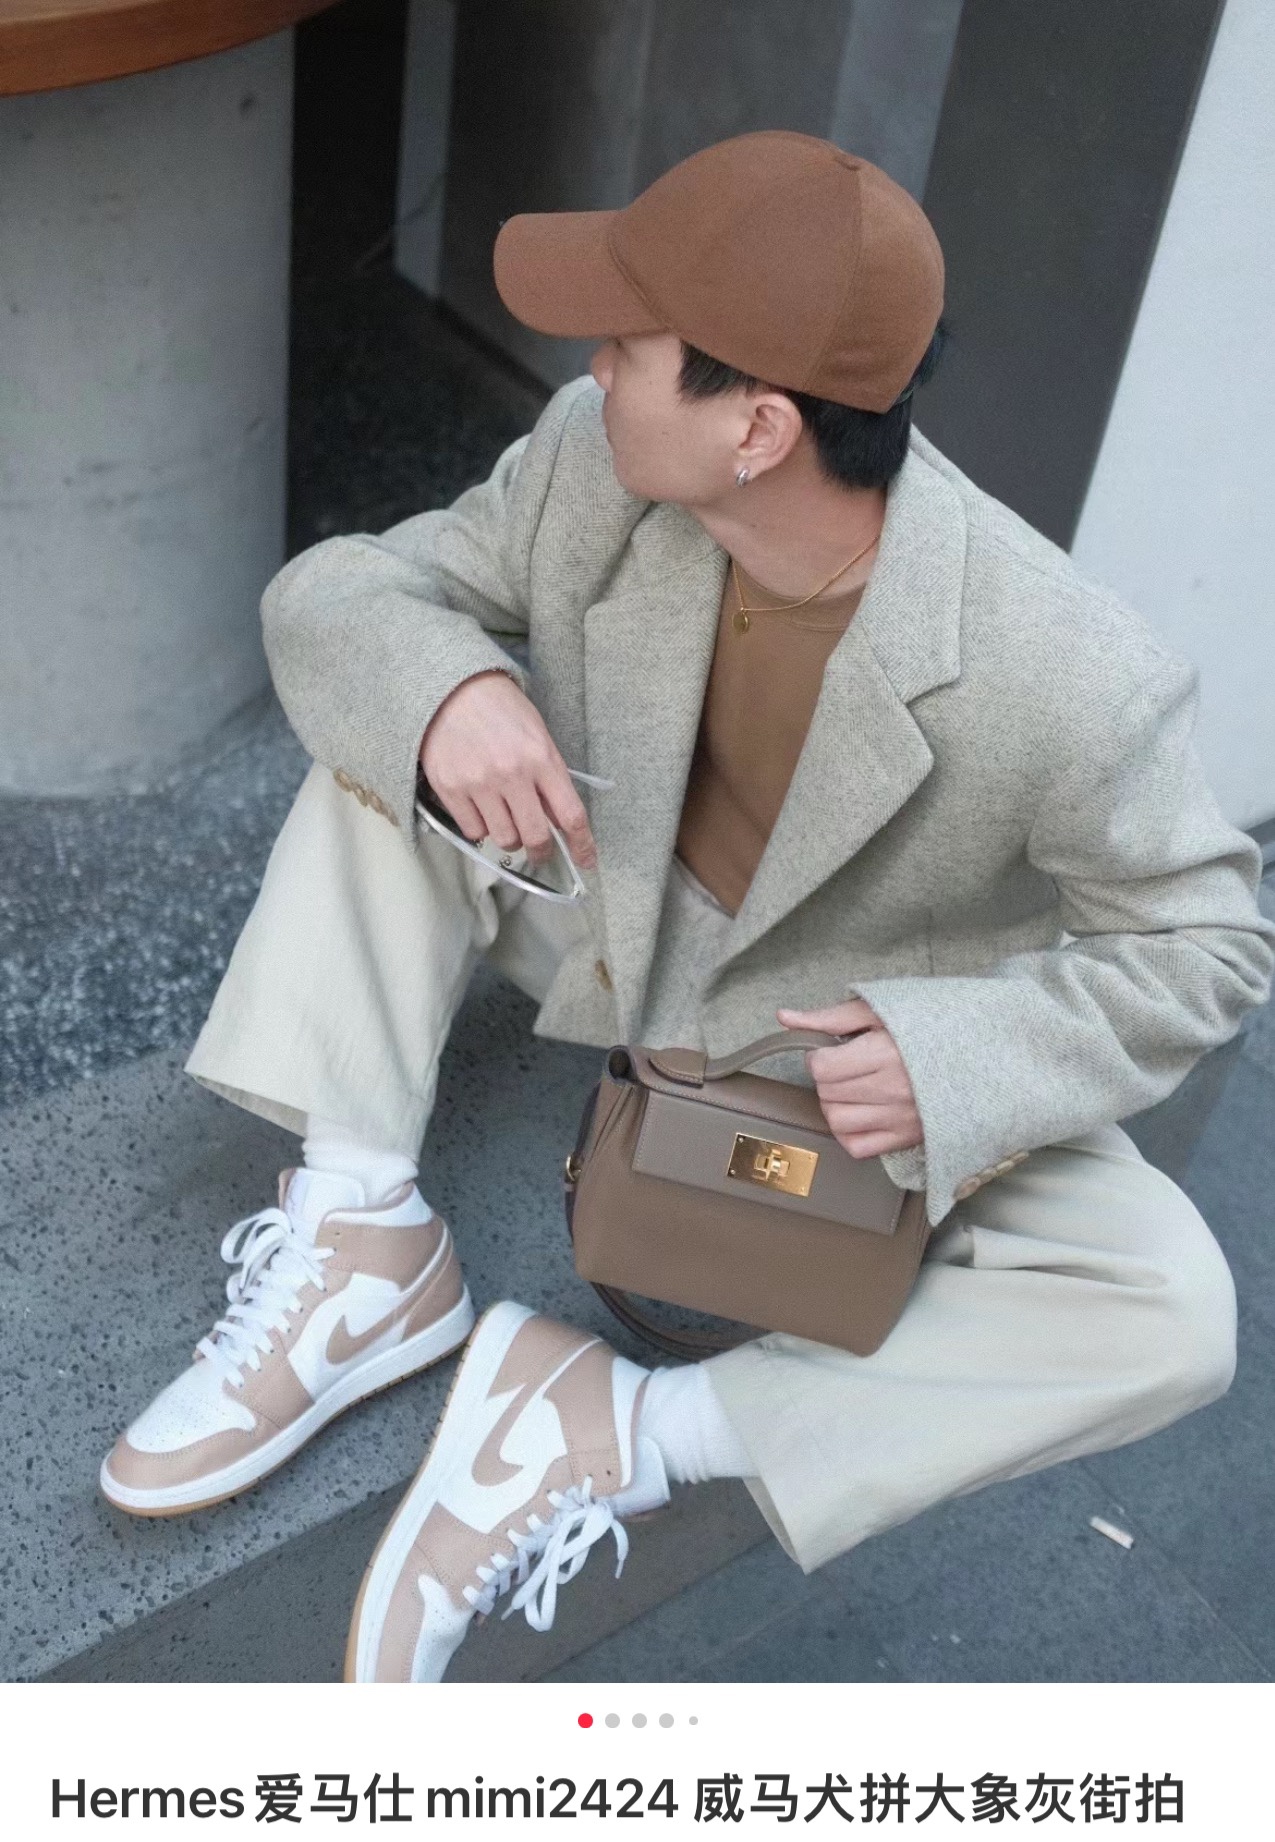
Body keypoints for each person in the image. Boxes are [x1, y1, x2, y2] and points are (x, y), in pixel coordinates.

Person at [98, 132, 1273, 1682]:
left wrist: (950, 1055)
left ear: (759, 427)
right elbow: (349, 589)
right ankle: (364, 1235)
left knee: (1175, 1307)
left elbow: (1209, 938)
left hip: (827, 1050)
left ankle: (622, 1427)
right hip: (610, 909)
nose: (589, 366)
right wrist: (446, 689)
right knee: (392, 737)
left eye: (627, 346)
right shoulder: (590, 461)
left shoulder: (1064, 667)